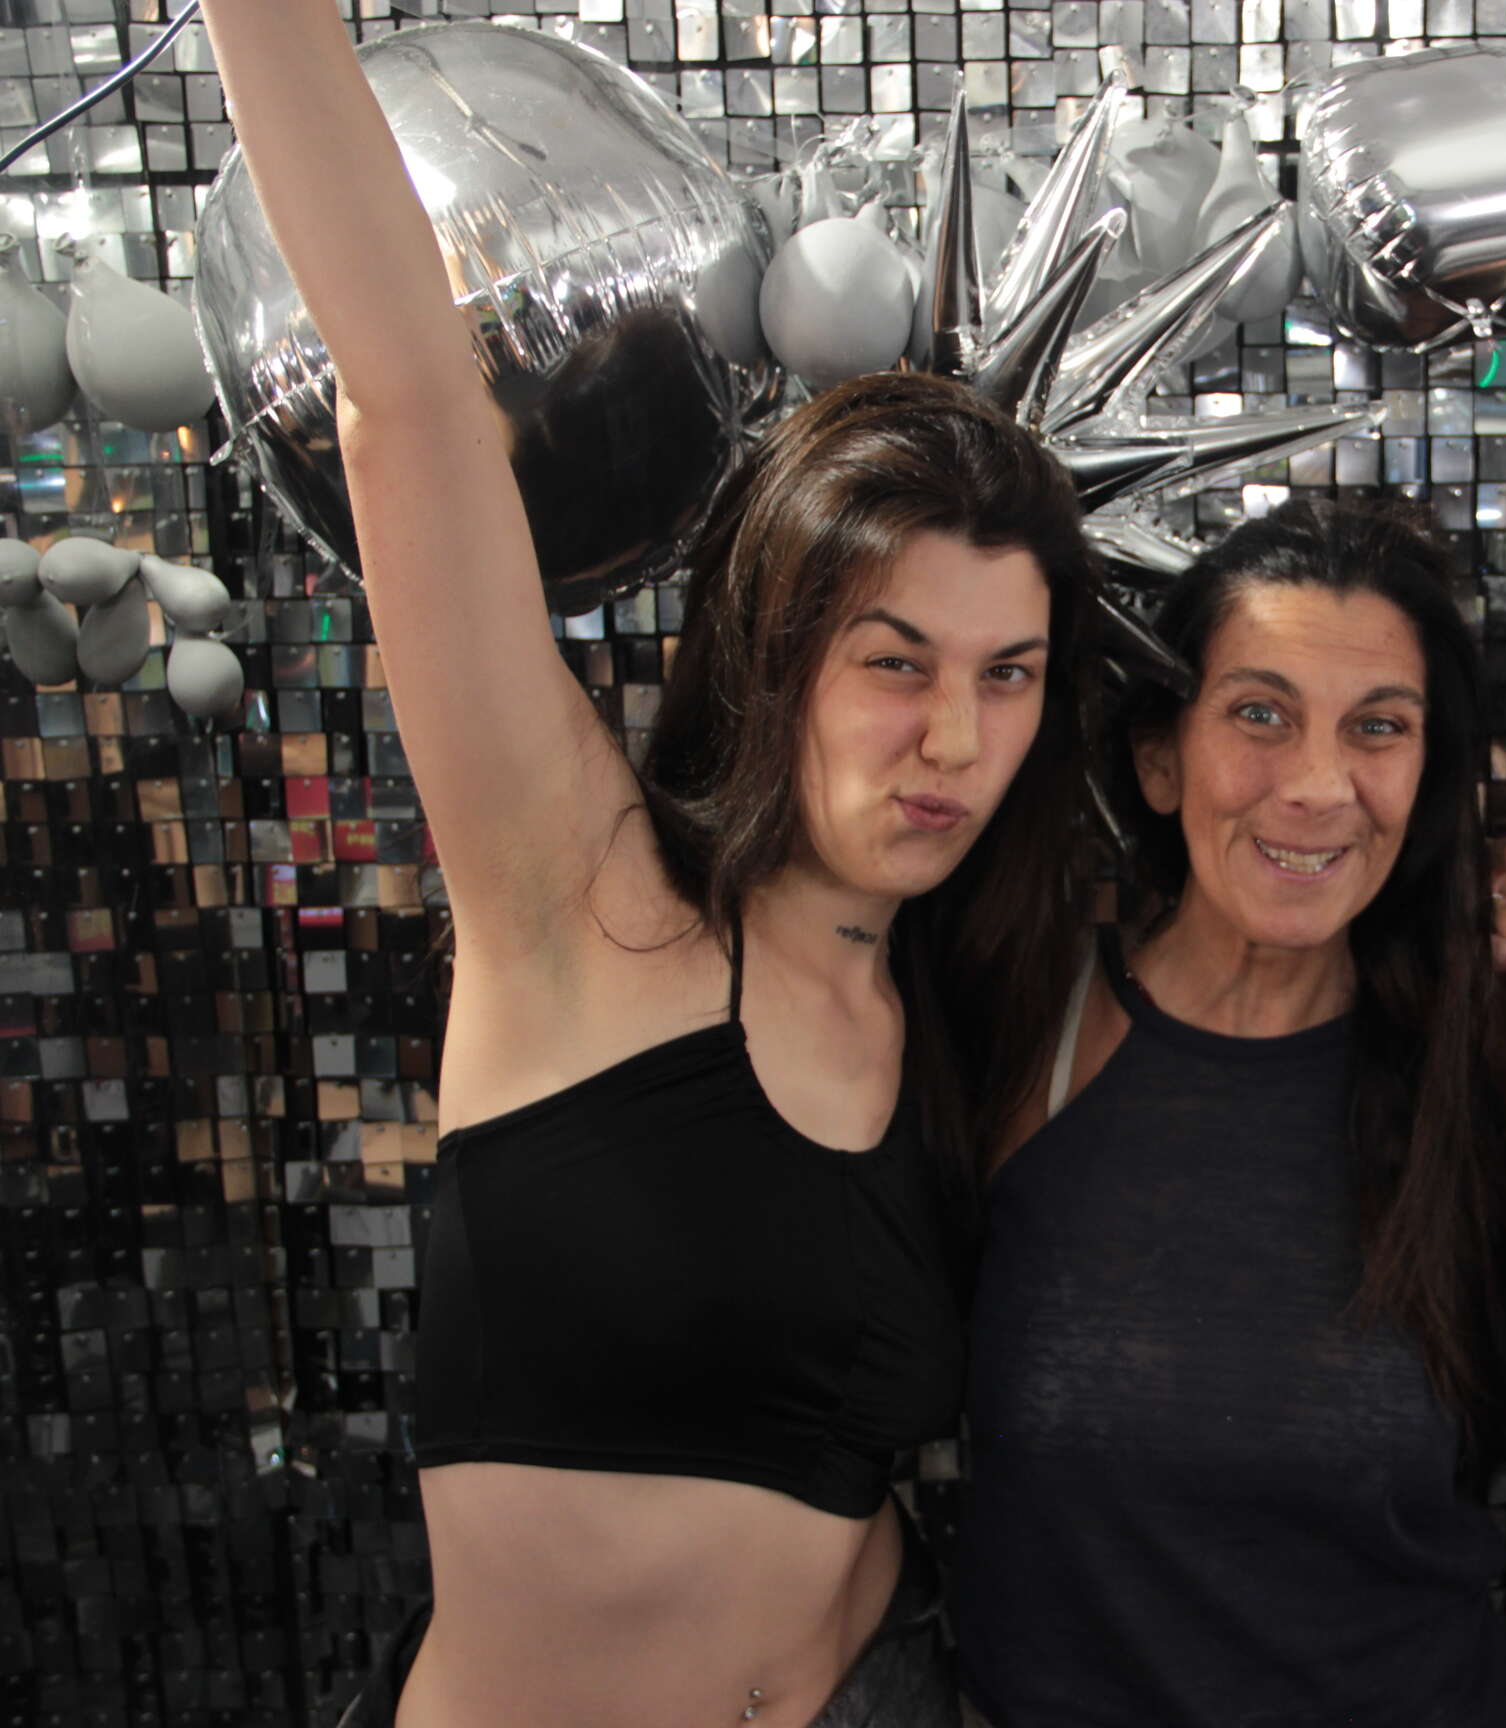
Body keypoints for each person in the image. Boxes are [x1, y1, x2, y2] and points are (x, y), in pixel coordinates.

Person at [200, 7, 1096, 1725]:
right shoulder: (581, 894)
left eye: (1010, 675)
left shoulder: (963, 1013)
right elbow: (408, 407)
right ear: (776, 653)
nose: (954, 739)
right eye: (895, 662)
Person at [954, 500, 1506, 1727]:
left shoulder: (1488, 1060)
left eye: (1378, 727)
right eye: (1260, 715)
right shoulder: (1022, 1036)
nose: (1318, 786)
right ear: (1160, 760)